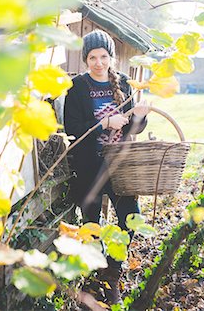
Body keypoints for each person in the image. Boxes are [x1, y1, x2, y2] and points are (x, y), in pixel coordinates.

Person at [64, 29, 149, 304]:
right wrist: (103, 123)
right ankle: (95, 274)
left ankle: (113, 272)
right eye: (92, 57)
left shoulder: (123, 83)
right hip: (89, 166)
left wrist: (140, 117)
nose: (98, 63)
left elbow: (132, 127)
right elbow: (72, 129)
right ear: (85, 59)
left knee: (130, 217)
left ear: (110, 57)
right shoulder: (77, 87)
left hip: (119, 164)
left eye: (103, 56)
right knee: (91, 223)